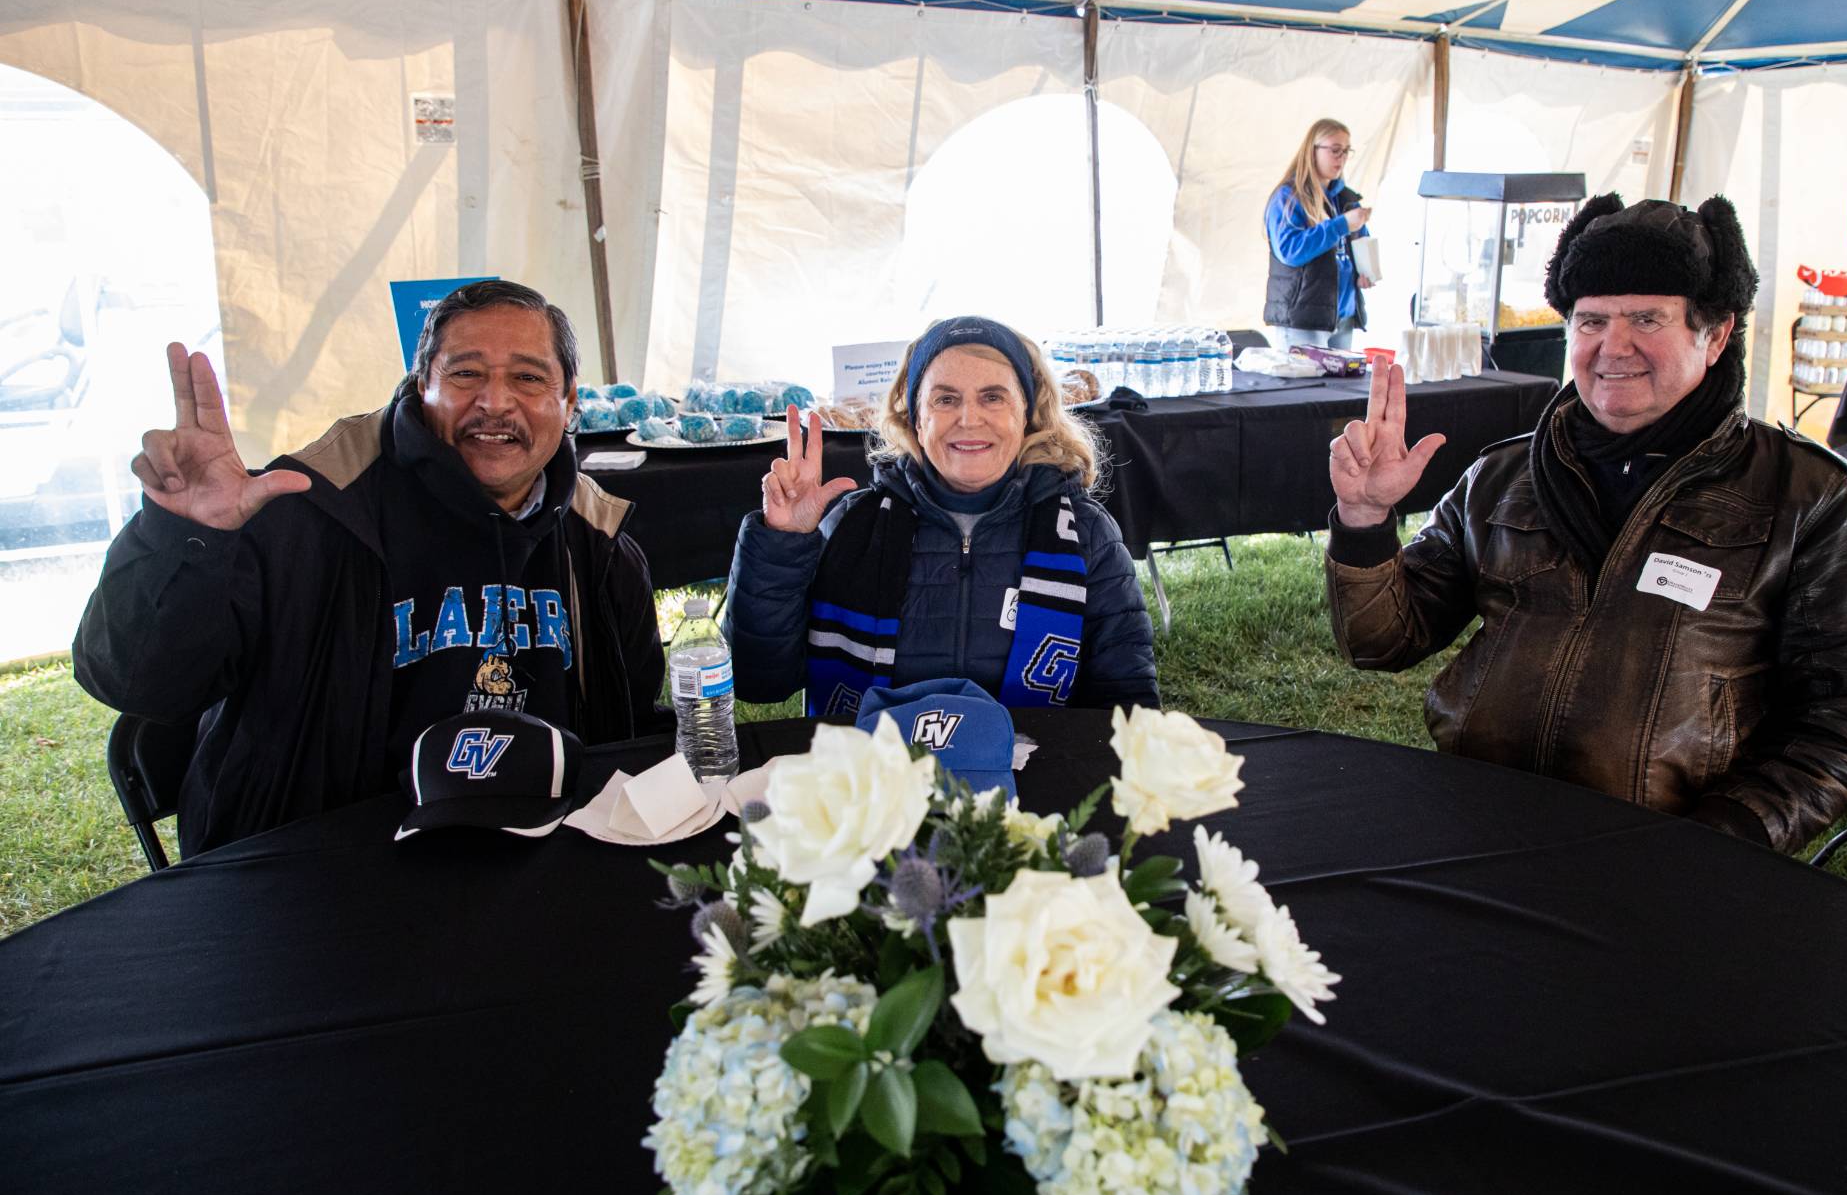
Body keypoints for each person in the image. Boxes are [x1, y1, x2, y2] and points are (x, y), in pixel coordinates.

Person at [1322, 194, 1847, 854]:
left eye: (1647, 317)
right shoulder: (1503, 479)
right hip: (1478, 826)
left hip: (1661, 862)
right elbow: (1380, 642)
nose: (1613, 347)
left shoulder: (1804, 494)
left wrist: (1719, 842)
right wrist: (1364, 519)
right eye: (1591, 321)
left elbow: (1839, 720)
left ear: (1717, 333)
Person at [73, 280, 666, 856]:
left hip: (544, 848)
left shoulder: (599, 539)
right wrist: (185, 536)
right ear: (420, 387)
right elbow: (137, 682)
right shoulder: (307, 508)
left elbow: (630, 722)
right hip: (325, 863)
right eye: (464, 374)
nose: (494, 402)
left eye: (529, 377)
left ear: (568, 405)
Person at [725, 315, 1157, 714]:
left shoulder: (1084, 533)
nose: (969, 419)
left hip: (1031, 782)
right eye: (945, 399)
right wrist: (781, 543)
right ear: (915, 418)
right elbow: (757, 681)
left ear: (1027, 414)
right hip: (866, 780)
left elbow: (1127, 704)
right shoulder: (851, 525)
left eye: (993, 397)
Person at [1264, 118, 1374, 350]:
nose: (1341, 158)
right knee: (1306, 386)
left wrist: (1364, 271)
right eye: (1335, 150)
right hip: (1303, 322)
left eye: (1346, 151)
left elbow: (1355, 246)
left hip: (1341, 316)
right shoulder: (1288, 198)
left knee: (1339, 387)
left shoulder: (1345, 199)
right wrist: (1340, 225)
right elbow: (1290, 251)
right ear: (1312, 151)